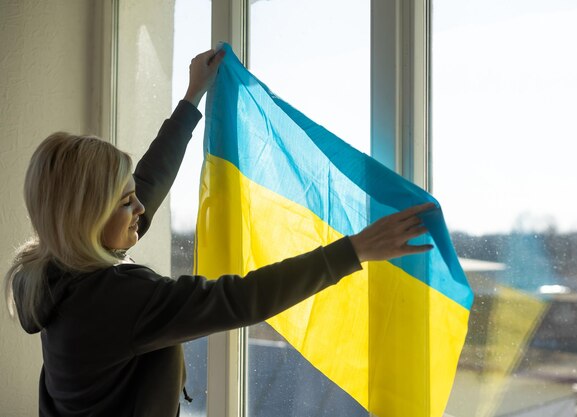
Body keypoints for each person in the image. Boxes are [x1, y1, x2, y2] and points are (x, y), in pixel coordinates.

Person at [4, 48, 435, 417]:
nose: (140, 208)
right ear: (88, 216)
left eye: (133, 196)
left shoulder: (54, 271)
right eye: (124, 202)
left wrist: (192, 100)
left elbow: (146, 185)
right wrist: (354, 250)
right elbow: (239, 299)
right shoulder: (117, 299)